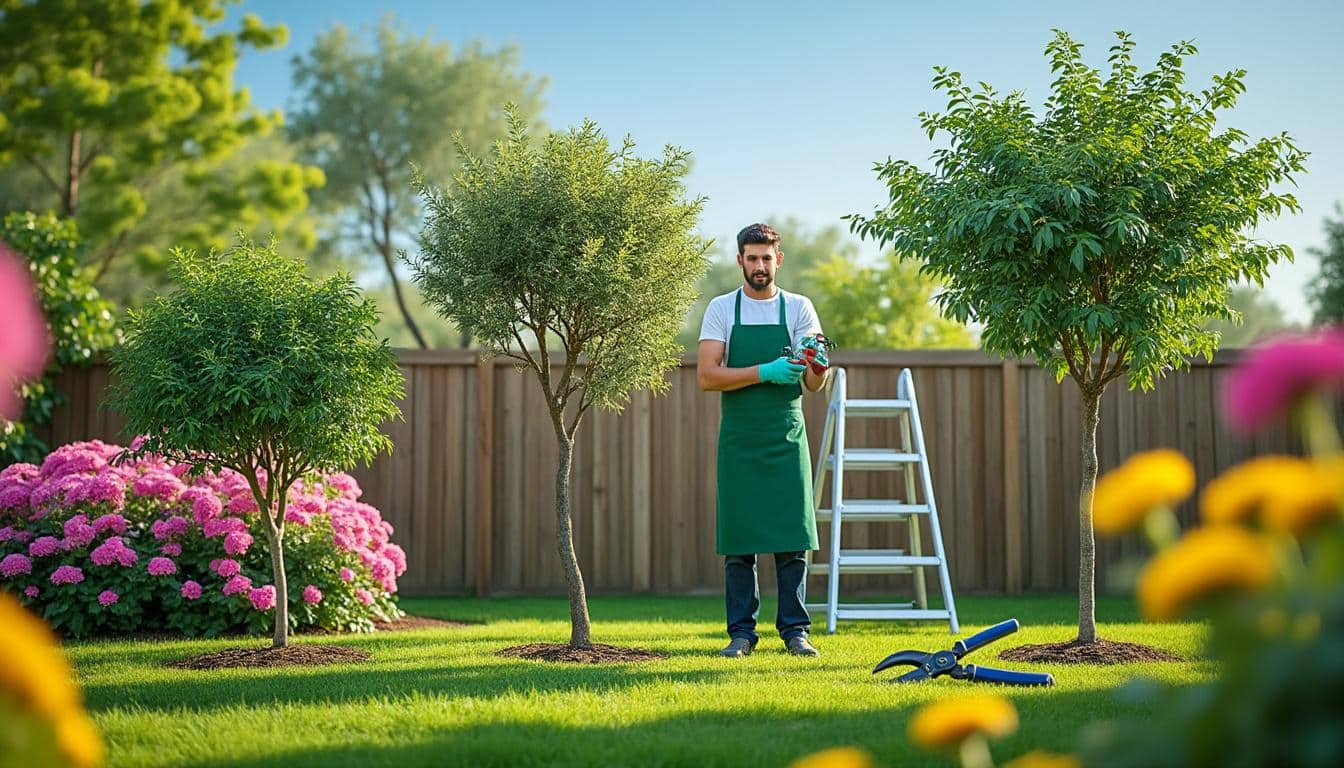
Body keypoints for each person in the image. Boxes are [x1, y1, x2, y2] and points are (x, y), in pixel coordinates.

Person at [696, 222, 829, 658]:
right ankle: (740, 634)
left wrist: (819, 367)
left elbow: (812, 385)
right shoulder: (720, 309)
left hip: (786, 437)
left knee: (793, 539)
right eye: (751, 258)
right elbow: (707, 376)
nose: (759, 265)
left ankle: (795, 631)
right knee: (739, 543)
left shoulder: (799, 309)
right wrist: (763, 372)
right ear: (739, 260)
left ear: (779, 260)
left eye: (766, 258)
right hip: (739, 439)